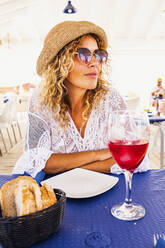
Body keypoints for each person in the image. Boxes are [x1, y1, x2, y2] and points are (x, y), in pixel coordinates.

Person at [13, 21, 149, 178]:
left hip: (107, 192)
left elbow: (136, 157)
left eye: (98, 55)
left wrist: (71, 167)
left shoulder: (109, 98)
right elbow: (36, 159)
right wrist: (96, 155)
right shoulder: (41, 100)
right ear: (60, 62)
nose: (94, 63)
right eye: (84, 54)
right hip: (60, 196)